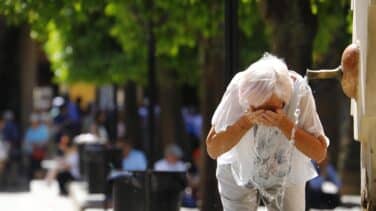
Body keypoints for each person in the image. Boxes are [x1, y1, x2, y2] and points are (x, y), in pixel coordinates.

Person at [206, 53, 329, 211]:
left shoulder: (299, 91)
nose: (264, 116)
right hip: (237, 167)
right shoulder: (239, 87)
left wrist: (283, 123)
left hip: (285, 169)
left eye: (271, 109)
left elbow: (319, 153)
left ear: (285, 100)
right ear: (246, 99)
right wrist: (245, 122)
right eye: (256, 108)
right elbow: (213, 149)